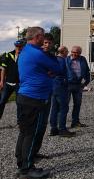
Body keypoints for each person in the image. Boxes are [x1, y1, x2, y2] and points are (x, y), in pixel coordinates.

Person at [15, 27, 63, 178]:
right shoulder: (38, 53)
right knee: (32, 133)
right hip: (35, 98)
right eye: (43, 37)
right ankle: (27, 169)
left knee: (24, 131)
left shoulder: (26, 51)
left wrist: (46, 71)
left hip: (26, 96)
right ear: (38, 37)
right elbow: (58, 67)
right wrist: (49, 69)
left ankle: (21, 162)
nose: (45, 40)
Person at [49, 46, 74, 137]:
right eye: (67, 51)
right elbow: (66, 73)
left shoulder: (54, 59)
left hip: (53, 85)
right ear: (63, 52)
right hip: (61, 86)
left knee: (54, 108)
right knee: (63, 108)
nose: (68, 53)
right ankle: (62, 129)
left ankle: (53, 128)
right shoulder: (63, 61)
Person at [66, 45, 90, 128]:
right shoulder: (67, 59)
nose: (74, 54)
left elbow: (87, 70)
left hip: (78, 85)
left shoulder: (82, 59)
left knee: (77, 104)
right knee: (65, 105)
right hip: (68, 84)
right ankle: (62, 124)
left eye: (76, 53)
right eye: (73, 52)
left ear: (80, 53)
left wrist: (86, 82)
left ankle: (75, 122)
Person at [0, 39, 25, 122]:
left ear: (23, 47)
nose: (18, 48)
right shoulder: (8, 55)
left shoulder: (24, 56)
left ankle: (20, 121)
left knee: (19, 103)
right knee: (2, 101)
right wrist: (1, 81)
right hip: (8, 83)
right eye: (17, 46)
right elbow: (3, 69)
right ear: (15, 46)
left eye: (20, 46)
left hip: (19, 84)